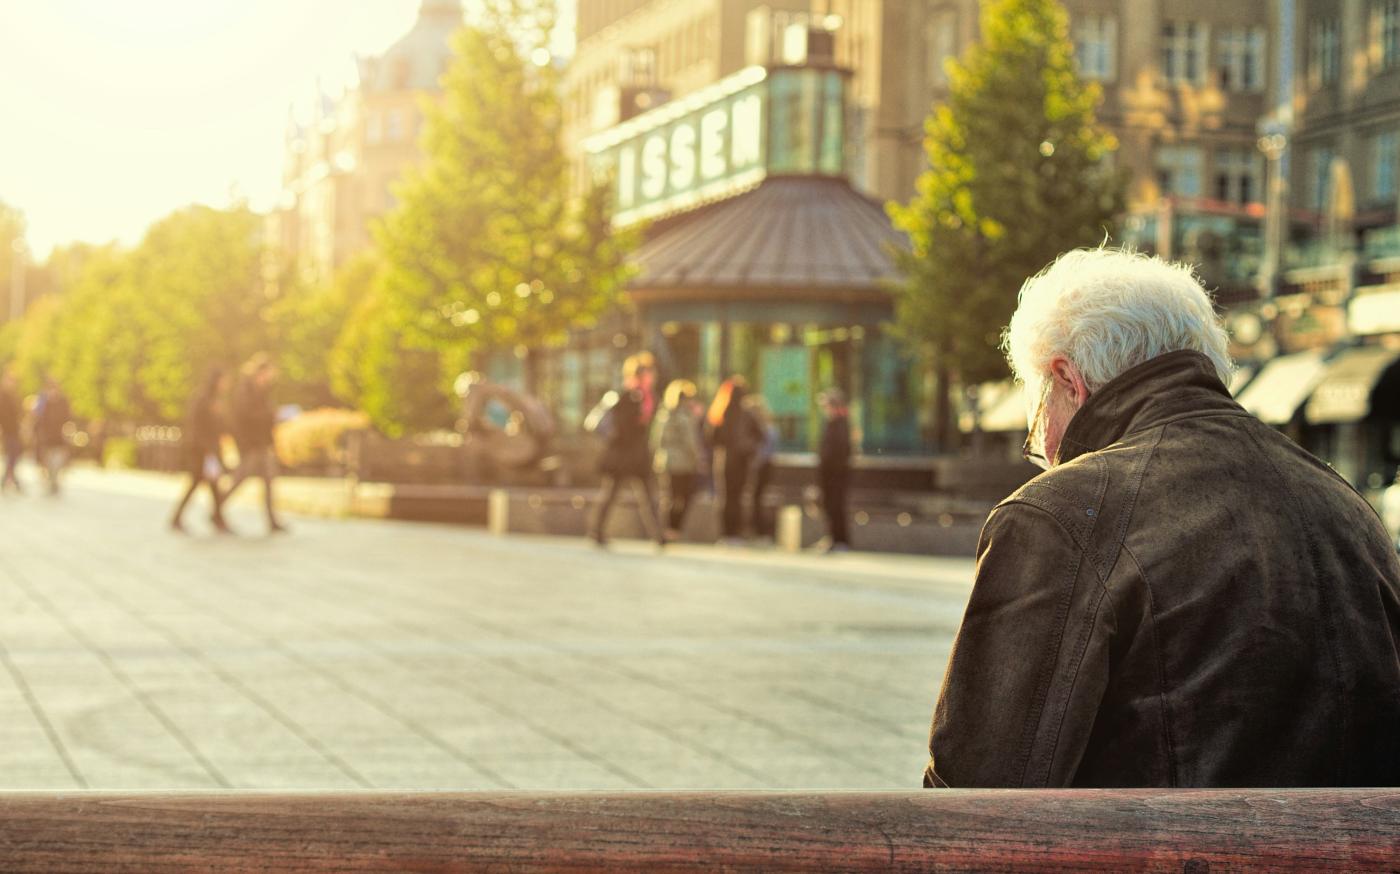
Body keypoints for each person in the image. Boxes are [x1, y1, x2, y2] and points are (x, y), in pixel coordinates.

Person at [925, 248, 1400, 789]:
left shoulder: (1061, 515)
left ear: (1068, 381)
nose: (1044, 449)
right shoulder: (1345, 504)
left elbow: (978, 791)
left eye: (1036, 418)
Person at [589, 354, 664, 547]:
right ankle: (596, 531)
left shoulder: (649, 397)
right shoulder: (626, 396)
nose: (652, 377)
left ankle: (659, 535)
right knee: (612, 493)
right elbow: (622, 427)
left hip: (639, 455)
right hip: (623, 455)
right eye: (649, 373)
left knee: (649, 496)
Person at [223, 354, 287, 533]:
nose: (270, 378)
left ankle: (272, 521)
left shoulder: (262, 391)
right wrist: (271, 415)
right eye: (268, 374)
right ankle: (217, 509)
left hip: (262, 444)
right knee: (240, 479)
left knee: (268, 481)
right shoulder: (245, 391)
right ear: (260, 372)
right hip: (250, 444)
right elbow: (244, 418)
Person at [170, 368, 233, 534]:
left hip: (210, 449)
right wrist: (207, 450)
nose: (227, 384)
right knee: (198, 483)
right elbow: (197, 426)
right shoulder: (203, 399)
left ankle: (217, 518)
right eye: (224, 380)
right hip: (201, 450)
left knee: (211, 485)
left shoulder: (215, 399)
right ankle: (215, 519)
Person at [707, 376, 761, 543]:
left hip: (725, 460)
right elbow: (760, 436)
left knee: (726, 497)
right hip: (742, 461)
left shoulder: (720, 411)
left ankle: (726, 533)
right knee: (738, 497)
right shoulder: (747, 414)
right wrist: (749, 448)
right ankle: (736, 533)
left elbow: (711, 438)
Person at [651, 379, 703, 540]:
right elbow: (690, 442)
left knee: (669, 496)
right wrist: (698, 459)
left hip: (665, 461)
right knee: (684, 496)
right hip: (683, 463)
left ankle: (666, 529)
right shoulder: (684, 416)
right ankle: (673, 529)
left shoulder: (662, 414)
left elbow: (654, 440)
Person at [817, 389, 852, 552]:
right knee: (830, 505)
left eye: (827, 406)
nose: (825, 410)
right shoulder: (833, 424)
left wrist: (832, 467)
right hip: (829, 473)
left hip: (836, 473)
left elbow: (840, 451)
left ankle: (840, 540)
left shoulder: (840, 424)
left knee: (836, 505)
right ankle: (834, 538)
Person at [745, 394, 779, 540]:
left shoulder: (766, 429)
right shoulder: (766, 428)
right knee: (755, 497)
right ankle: (756, 530)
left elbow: (767, 450)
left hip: (762, 466)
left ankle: (761, 531)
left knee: (758, 497)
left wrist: (755, 462)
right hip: (762, 465)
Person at [31, 378, 71, 496]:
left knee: (58, 461)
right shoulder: (44, 403)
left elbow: (68, 418)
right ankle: (51, 479)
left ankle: (55, 480)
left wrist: (68, 431)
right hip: (46, 437)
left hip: (59, 436)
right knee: (48, 461)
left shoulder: (63, 402)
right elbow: (38, 419)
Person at [0, 371, 24, 494]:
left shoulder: (14, 396)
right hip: (7, 432)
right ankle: (10, 480)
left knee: (14, 455)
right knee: (12, 456)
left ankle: (8, 479)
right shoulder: (3, 397)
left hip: (15, 431)